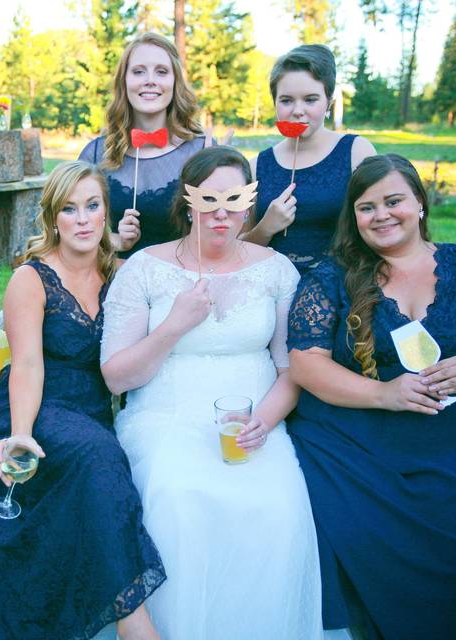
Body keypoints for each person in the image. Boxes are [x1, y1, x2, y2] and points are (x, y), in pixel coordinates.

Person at [285, 154, 456, 639]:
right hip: (357, 442)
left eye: (394, 201)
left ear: (420, 204)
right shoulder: (333, 277)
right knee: (346, 529)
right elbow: (306, 363)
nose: (382, 215)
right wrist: (383, 393)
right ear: (354, 218)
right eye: (367, 208)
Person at [100, 146, 322, 639]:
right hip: (165, 418)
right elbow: (115, 377)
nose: (222, 212)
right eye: (209, 199)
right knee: (178, 499)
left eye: (234, 199)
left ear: (251, 204)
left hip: (256, 423)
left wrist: (265, 421)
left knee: (280, 507)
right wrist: (172, 327)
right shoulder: (144, 268)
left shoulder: (277, 270)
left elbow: (293, 369)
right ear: (188, 201)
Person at [0, 161, 165, 640]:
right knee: (99, 455)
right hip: (30, 407)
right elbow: (27, 367)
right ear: (53, 218)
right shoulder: (32, 280)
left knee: (98, 457)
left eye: (92, 206)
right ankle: (134, 623)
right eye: (69, 209)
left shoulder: (123, 274)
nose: (82, 219)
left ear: (106, 213)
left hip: (89, 413)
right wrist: (19, 434)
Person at [243, 44, 375, 274]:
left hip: (339, 283)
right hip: (271, 284)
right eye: (286, 100)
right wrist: (266, 227)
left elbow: (377, 226)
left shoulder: (356, 151)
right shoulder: (256, 166)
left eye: (310, 99)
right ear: (274, 102)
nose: (297, 110)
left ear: (328, 103)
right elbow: (237, 250)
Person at [79, 32, 208, 258]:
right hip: (115, 280)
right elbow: (62, 224)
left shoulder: (201, 150)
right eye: (139, 71)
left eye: (161, 71)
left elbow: (224, 232)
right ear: (124, 81)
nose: (150, 80)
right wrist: (113, 240)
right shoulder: (96, 154)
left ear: (175, 81)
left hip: (183, 282)